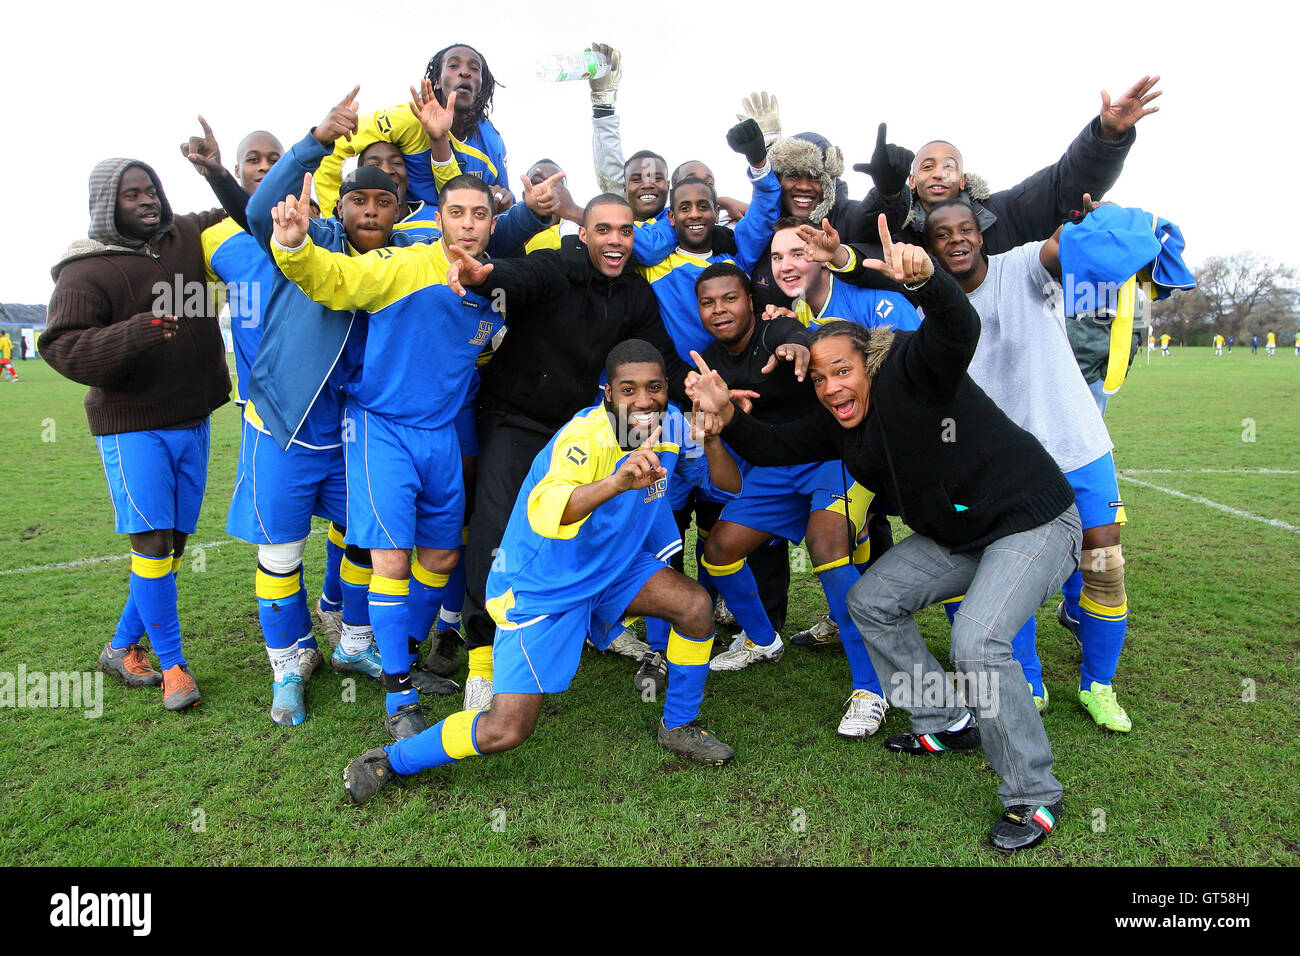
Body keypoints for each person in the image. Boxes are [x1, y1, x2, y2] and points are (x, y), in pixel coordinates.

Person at [687, 215, 1082, 852]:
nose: (831, 386)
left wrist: (928, 285)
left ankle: (1033, 795)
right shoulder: (838, 421)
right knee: (871, 601)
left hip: (1031, 520)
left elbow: (959, 328)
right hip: (960, 534)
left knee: (979, 641)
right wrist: (726, 413)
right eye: (818, 378)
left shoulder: (910, 372)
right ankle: (948, 718)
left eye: (841, 371)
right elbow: (775, 445)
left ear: (867, 364)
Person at [340, 341, 742, 804]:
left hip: (611, 568)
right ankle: (389, 760)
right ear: (607, 392)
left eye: (654, 387)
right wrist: (616, 481)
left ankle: (679, 726)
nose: (645, 400)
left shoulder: (671, 424)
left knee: (694, 606)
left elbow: (728, 487)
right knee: (505, 730)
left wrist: (712, 432)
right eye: (629, 389)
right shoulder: (583, 437)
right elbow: (550, 509)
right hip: (545, 585)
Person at [268, 169, 563, 739]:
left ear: (492, 223)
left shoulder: (498, 287)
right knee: (392, 563)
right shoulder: (404, 266)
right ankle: (400, 696)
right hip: (382, 430)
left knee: (444, 560)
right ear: (439, 219)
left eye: (480, 215)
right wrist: (294, 244)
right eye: (457, 213)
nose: (468, 225)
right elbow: (335, 279)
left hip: (441, 435)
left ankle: (397, 653)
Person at [445, 193, 690, 713]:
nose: (615, 241)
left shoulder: (635, 294)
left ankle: (591, 620)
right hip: (517, 418)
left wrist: (704, 391)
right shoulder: (559, 265)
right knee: (495, 529)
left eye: (625, 231)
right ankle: (483, 660)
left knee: (597, 523)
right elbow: (523, 276)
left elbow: (660, 357)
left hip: (578, 430)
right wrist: (485, 276)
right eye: (604, 230)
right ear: (585, 233)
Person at [923, 198, 1134, 732]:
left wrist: (1085, 226)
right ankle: (1029, 679)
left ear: (981, 234)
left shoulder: (1022, 267)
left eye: (965, 228)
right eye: (942, 234)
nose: (956, 239)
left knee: (1104, 566)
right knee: (1004, 568)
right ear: (931, 248)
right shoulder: (929, 309)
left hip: (1076, 445)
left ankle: (1099, 685)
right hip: (1006, 466)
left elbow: (1061, 246)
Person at [43, 159, 232, 711]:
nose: (148, 201)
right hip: (133, 426)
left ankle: (121, 647)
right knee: (150, 545)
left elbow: (249, 201)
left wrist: (224, 169)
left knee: (170, 547)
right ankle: (173, 665)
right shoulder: (85, 270)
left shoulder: (185, 235)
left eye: (151, 190)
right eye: (133, 195)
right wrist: (135, 333)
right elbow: (63, 347)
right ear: (109, 205)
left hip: (194, 420)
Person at [687, 263, 890, 739]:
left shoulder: (776, 330)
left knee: (826, 548)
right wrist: (714, 408)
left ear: (752, 303)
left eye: (730, 299)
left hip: (833, 458)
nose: (720, 310)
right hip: (775, 465)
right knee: (718, 550)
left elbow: (792, 335)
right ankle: (762, 640)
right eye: (709, 302)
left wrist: (796, 344)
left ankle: (870, 687)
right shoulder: (712, 358)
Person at [897, 76, 1161, 251]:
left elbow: (1061, 184)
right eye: (928, 167)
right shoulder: (893, 229)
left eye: (949, 166)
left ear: (963, 179)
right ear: (912, 180)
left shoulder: (1004, 213)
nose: (939, 174)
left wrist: (1105, 136)